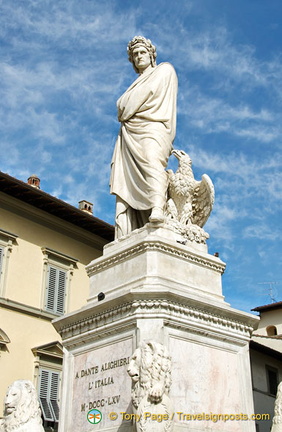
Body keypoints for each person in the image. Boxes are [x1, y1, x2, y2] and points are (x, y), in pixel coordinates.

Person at [110, 36, 178, 239]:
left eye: (142, 53)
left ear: (151, 55)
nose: (139, 57)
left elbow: (129, 103)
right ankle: (130, 229)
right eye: (135, 55)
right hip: (130, 135)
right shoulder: (136, 83)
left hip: (153, 128)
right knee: (129, 179)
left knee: (152, 162)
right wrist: (124, 104)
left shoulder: (164, 70)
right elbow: (122, 107)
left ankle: (157, 208)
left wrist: (125, 104)